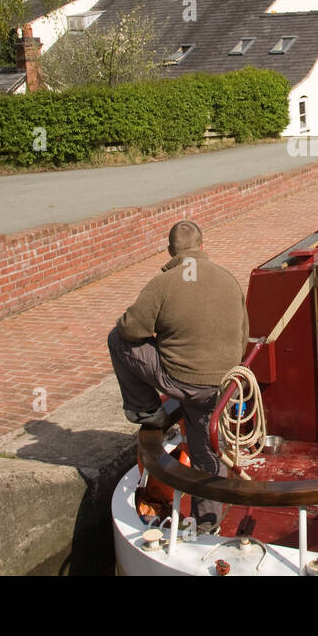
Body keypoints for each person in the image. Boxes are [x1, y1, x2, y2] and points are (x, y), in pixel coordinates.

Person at [107, 220, 249, 532]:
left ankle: (146, 410)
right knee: (207, 454)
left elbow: (130, 329)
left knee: (116, 340)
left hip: (180, 380)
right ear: (201, 246)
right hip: (220, 386)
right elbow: (243, 336)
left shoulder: (165, 282)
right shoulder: (228, 279)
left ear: (171, 250)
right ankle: (207, 522)